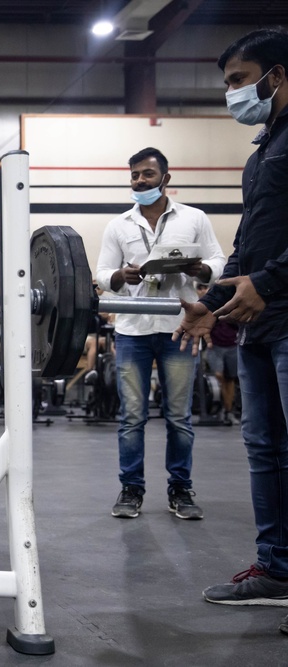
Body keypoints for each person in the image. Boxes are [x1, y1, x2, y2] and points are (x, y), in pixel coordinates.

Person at [173, 29, 288, 622]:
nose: (232, 95)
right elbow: (248, 244)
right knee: (265, 450)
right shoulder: (263, 151)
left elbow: (265, 265)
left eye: (239, 82)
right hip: (259, 328)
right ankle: (276, 570)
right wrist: (209, 300)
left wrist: (265, 284)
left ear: (278, 75)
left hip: (284, 315)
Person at [95, 147, 226, 521]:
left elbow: (219, 261)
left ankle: (180, 490)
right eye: (135, 175)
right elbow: (103, 273)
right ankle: (131, 489)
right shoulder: (118, 225)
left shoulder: (194, 218)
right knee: (131, 417)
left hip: (178, 329)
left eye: (147, 175)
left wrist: (201, 271)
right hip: (133, 330)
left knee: (179, 417)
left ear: (165, 179)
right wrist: (121, 276)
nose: (140, 181)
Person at [195, 282, 239, 424]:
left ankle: (228, 410)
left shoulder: (232, 301)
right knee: (220, 377)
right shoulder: (207, 304)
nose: (203, 290)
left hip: (232, 345)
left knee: (230, 380)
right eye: (200, 288)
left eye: (205, 287)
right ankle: (221, 406)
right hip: (215, 346)